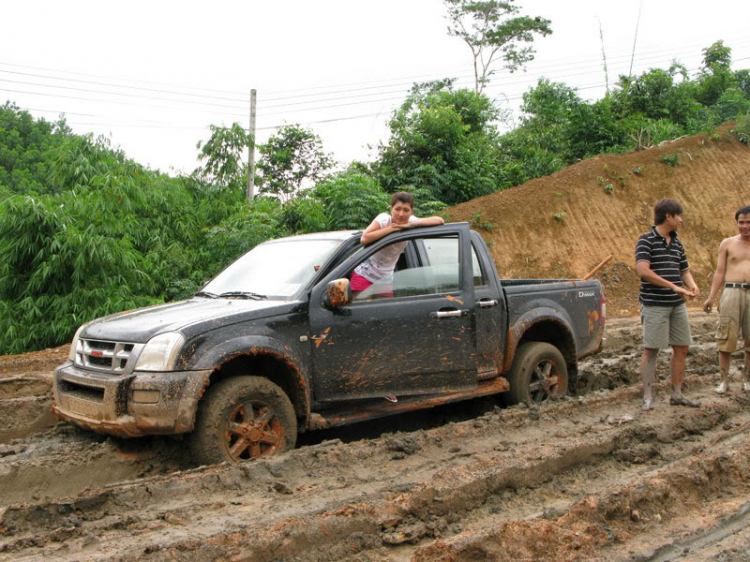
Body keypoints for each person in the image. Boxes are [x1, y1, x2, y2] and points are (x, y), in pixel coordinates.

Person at [352, 191, 444, 402]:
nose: (401, 214)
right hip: (363, 277)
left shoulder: (410, 221)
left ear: (411, 211)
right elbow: (365, 238)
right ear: (391, 208)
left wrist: (411, 225)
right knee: (363, 326)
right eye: (398, 209)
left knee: (385, 331)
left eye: (406, 210)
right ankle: (363, 379)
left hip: (385, 281)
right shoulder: (383, 219)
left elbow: (440, 220)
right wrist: (392, 229)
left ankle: (384, 383)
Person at [635, 198, 701, 411]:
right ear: (668, 216)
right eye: (679, 216)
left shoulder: (677, 242)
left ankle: (677, 394)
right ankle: (647, 396)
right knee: (651, 349)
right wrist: (673, 286)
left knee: (682, 347)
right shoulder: (646, 240)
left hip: (677, 304)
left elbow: (684, 269)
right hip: (655, 304)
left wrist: (691, 285)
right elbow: (643, 271)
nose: (681, 220)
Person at [702, 205, 750, 394]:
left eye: (748, 222)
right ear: (737, 223)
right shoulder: (727, 243)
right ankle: (724, 380)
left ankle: (747, 379)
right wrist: (710, 298)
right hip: (732, 291)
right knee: (725, 338)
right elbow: (719, 272)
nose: (745, 226)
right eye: (741, 222)